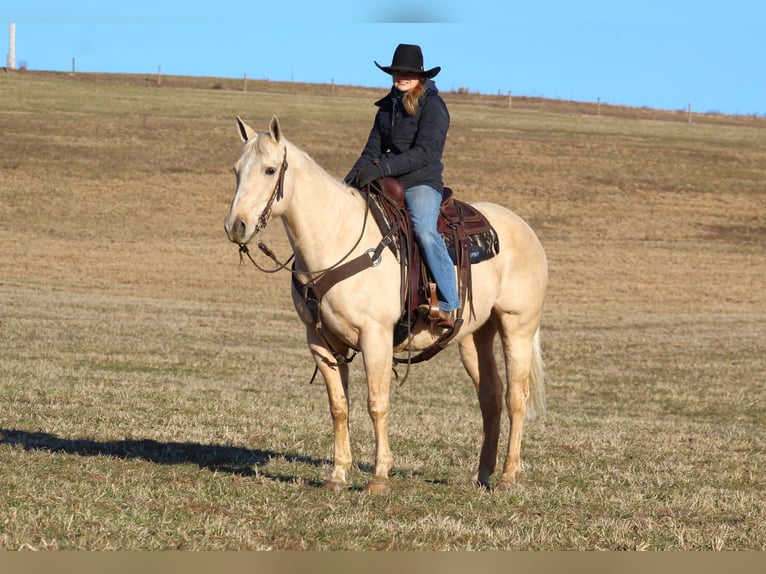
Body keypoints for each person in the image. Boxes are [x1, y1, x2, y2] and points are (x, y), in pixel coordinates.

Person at [345, 43, 460, 328]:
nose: (401, 77)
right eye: (397, 72)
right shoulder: (386, 108)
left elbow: (426, 153)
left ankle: (449, 301)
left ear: (420, 76)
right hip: (388, 181)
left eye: (407, 73)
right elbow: (371, 150)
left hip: (421, 181)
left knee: (423, 229)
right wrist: (349, 183)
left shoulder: (434, 106)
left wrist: (382, 169)